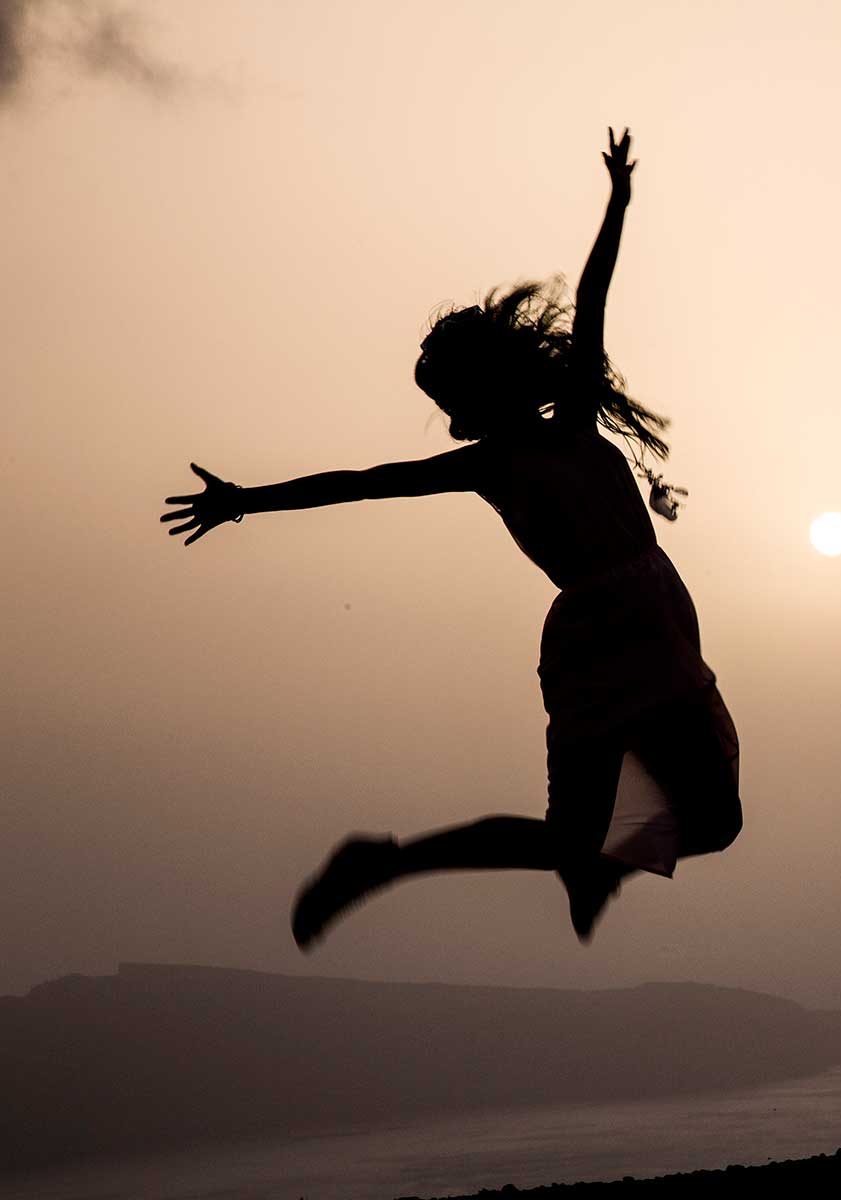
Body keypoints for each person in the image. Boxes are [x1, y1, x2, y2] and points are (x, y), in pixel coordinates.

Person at [162, 129, 740, 949]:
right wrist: (246, 500)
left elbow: (593, 299)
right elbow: (362, 481)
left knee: (672, 828)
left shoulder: (522, 446)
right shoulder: (517, 451)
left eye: (450, 397)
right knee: (694, 823)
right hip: (628, 622)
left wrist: (618, 204)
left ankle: (422, 863)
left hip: (620, 627)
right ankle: (415, 864)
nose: (451, 416)